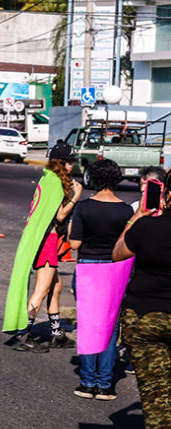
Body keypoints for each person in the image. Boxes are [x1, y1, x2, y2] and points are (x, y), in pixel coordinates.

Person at [113, 171, 171, 429]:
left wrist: (138, 216)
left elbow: (118, 252)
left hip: (146, 317)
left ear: (166, 196)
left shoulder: (148, 226)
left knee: (157, 393)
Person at [3, 141, 82, 353]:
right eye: (69, 162)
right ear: (60, 162)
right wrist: (76, 197)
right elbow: (60, 215)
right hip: (46, 240)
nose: (72, 165)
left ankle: (57, 334)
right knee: (42, 289)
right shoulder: (55, 182)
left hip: (42, 238)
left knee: (56, 286)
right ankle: (23, 335)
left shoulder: (47, 179)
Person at [67, 158, 132, 400]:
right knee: (111, 327)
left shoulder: (83, 208)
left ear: (93, 178)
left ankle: (87, 383)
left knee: (88, 325)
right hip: (115, 270)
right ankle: (105, 385)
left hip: (88, 268)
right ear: (116, 179)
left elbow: (74, 243)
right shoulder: (126, 210)